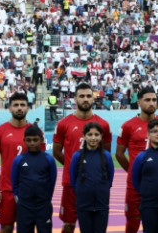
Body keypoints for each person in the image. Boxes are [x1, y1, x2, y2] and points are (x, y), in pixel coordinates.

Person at [116, 86, 158, 233]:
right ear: (139, 102)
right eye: (147, 100)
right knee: (132, 222)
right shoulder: (128, 126)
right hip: (135, 185)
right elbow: (119, 154)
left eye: (154, 100)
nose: (151, 103)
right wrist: (133, 172)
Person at [52, 82, 112, 233]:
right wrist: (75, 167)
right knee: (69, 225)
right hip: (71, 183)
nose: (85, 99)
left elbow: (106, 155)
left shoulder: (103, 124)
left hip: (96, 184)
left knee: (95, 225)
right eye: (81, 96)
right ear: (75, 99)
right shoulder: (63, 123)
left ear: (93, 99)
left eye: (88, 96)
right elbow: (57, 152)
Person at [0, 92, 36, 233]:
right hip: (7, 189)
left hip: (29, 190)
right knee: (6, 227)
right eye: (16, 105)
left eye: (23, 105)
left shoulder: (35, 132)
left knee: (27, 227)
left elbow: (41, 163)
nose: (19, 108)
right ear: (9, 108)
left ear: (28, 108)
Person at [69, 122, 114, 233]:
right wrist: (82, 191)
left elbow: (110, 178)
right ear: (84, 136)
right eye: (90, 134)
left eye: (96, 134)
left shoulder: (106, 156)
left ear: (101, 136)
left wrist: (102, 190)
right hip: (83, 204)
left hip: (101, 204)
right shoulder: (77, 156)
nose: (93, 138)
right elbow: (73, 178)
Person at [10, 125, 57, 233]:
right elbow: (14, 182)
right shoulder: (19, 160)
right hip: (24, 206)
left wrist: (45, 198)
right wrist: (20, 198)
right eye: (29, 140)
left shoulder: (48, 159)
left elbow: (52, 181)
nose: (32, 143)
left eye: (35, 140)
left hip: (43, 206)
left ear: (41, 140)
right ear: (24, 141)